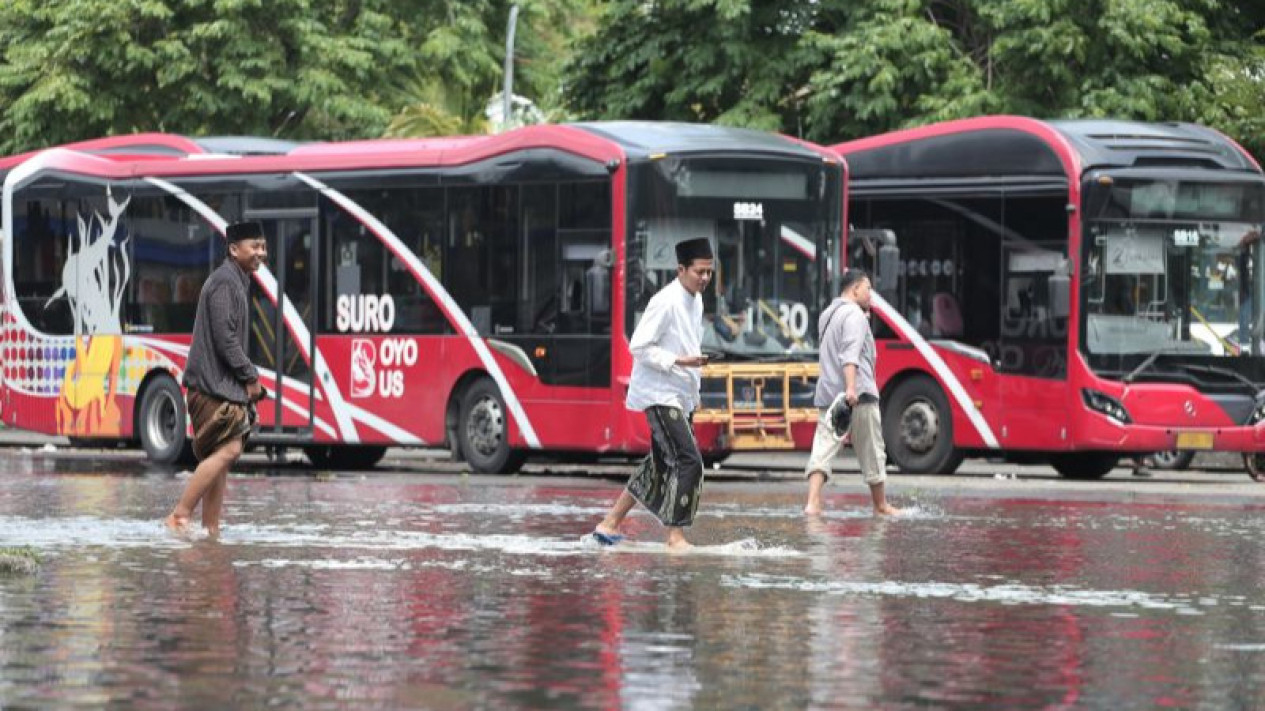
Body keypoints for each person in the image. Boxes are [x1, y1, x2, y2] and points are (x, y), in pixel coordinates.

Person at [591, 237, 714, 551]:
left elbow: (689, 346)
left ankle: (609, 523)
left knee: (659, 463)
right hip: (659, 393)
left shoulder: (697, 301)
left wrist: (693, 391)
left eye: (709, 273)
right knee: (689, 461)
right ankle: (675, 536)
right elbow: (639, 346)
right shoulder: (665, 300)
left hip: (680, 392)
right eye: (699, 272)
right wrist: (677, 361)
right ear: (681, 269)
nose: (704, 278)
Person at [164, 221, 268, 536]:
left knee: (219, 459)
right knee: (231, 450)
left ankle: (211, 531)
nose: (261, 253)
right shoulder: (226, 281)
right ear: (234, 249)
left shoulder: (238, 280)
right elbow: (226, 339)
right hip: (209, 388)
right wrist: (250, 377)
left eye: (263, 247)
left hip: (218, 387)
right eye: (255, 246)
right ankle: (179, 515)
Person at [803, 269, 900, 516]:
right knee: (873, 450)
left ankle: (812, 503)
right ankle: (881, 505)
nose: (871, 296)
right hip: (858, 395)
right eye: (868, 289)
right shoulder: (856, 316)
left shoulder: (827, 314)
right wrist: (851, 388)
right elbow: (850, 354)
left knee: (822, 449)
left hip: (829, 396)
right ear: (855, 289)